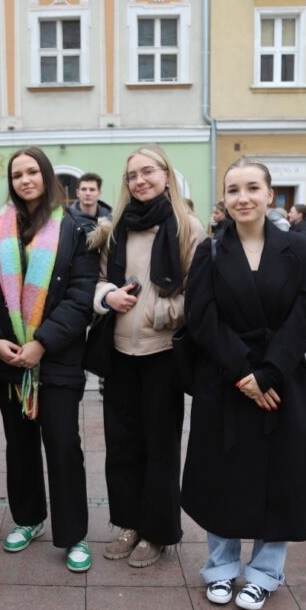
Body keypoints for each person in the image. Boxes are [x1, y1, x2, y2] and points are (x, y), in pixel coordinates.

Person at [181, 158, 306, 610]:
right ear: (223, 200)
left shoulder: (299, 249)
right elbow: (201, 317)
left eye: (251, 188)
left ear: (269, 194)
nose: (242, 198)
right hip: (227, 379)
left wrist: (267, 372)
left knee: (279, 478)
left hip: (281, 379)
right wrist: (243, 373)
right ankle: (221, 569)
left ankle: (265, 572)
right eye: (232, 190)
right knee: (222, 477)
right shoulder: (209, 251)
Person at [0, 146, 98, 572]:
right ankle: (28, 519)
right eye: (17, 174)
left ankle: (74, 534)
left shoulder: (74, 227)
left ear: (46, 176)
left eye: (32, 172)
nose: (25, 180)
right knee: (20, 447)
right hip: (8, 359)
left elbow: (81, 297)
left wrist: (42, 342)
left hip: (55, 359)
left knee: (63, 446)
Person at [89, 145, 206, 568]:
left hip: (162, 354)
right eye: (132, 175)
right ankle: (128, 522)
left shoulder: (187, 227)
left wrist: (158, 311)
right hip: (119, 352)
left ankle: (157, 531)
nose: (140, 181)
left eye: (147, 172)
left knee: (160, 445)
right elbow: (98, 279)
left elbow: (199, 293)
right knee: (121, 445)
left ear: (166, 175)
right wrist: (108, 296)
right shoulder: (116, 228)